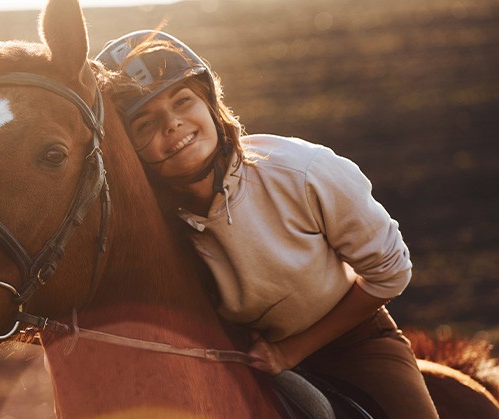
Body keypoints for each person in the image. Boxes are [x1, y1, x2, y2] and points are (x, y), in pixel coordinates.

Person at [94, 30, 438, 418]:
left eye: (183, 101)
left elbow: (391, 271)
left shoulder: (302, 171)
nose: (172, 124)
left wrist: (290, 352)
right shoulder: (156, 228)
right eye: (145, 124)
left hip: (354, 341)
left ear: (210, 102)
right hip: (244, 359)